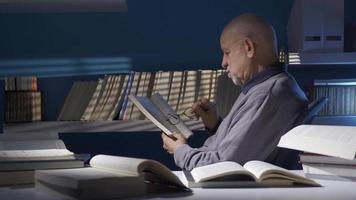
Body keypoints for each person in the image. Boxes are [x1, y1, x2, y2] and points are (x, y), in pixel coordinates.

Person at [161, 13, 308, 170]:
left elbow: (224, 166)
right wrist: (216, 125)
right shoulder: (264, 87)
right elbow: (245, 146)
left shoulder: (267, 95)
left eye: (227, 52)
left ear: (249, 48)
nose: (223, 62)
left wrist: (180, 151)